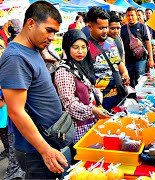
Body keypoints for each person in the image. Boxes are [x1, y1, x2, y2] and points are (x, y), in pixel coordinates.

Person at [0, 1, 68, 179]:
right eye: (49, 30)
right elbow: (16, 111)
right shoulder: (15, 57)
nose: (52, 37)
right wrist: (45, 151)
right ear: (30, 23)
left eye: (55, 32)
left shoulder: (33, 49)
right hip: (36, 151)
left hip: (49, 141)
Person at [55, 29, 109, 163]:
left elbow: (89, 87)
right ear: (67, 48)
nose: (81, 51)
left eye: (84, 47)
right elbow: (70, 105)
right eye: (75, 47)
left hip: (90, 125)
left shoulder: (80, 65)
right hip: (77, 131)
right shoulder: (63, 72)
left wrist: (97, 94)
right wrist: (92, 110)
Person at [87, 7, 130, 111]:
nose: (105, 31)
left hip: (118, 93)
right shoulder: (85, 47)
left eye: (106, 27)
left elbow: (118, 62)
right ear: (90, 27)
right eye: (101, 28)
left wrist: (125, 72)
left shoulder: (111, 41)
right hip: (101, 98)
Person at [121, 6, 154, 87]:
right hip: (128, 60)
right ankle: (132, 97)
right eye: (128, 15)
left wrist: (151, 59)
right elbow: (121, 45)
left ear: (136, 15)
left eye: (132, 15)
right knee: (129, 80)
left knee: (140, 79)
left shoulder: (142, 27)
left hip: (141, 59)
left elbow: (148, 43)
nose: (130, 17)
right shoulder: (123, 28)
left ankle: (140, 96)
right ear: (126, 16)